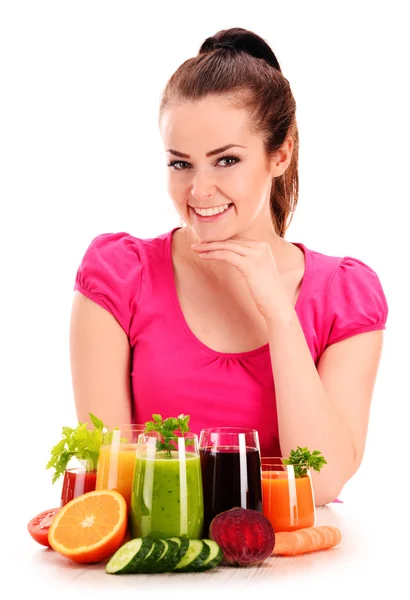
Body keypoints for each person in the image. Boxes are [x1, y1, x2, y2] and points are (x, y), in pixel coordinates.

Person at [69, 27, 388, 506]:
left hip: (296, 575)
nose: (199, 191)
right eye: (181, 164)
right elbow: (115, 481)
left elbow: (319, 485)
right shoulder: (119, 276)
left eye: (226, 161)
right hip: (158, 569)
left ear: (279, 155)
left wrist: (280, 315)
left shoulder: (344, 297)